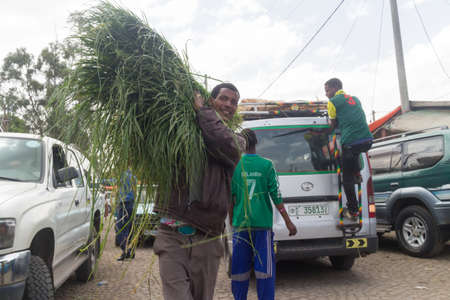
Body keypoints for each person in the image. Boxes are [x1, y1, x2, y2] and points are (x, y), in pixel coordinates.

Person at [153, 83, 242, 300]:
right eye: (224, 98)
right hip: (171, 235)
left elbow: (221, 141)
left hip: (208, 238)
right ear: (211, 100)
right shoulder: (182, 131)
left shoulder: (237, 141)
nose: (229, 104)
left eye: (234, 102)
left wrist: (203, 112)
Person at [230, 129, 297, 300]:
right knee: (265, 271)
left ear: (241, 144)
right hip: (262, 227)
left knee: (239, 271)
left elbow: (231, 198)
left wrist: (232, 221)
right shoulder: (267, 165)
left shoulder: (234, 165)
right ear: (256, 143)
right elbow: (276, 196)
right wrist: (289, 222)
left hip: (240, 227)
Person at [325, 78, 373, 219]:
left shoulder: (332, 102)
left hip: (351, 142)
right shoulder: (355, 99)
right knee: (353, 155)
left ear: (335, 88)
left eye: (327, 90)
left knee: (346, 178)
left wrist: (322, 134)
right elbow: (353, 117)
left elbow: (333, 125)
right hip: (367, 140)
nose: (326, 94)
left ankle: (353, 210)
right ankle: (357, 172)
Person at [116, 169, 137, 261]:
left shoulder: (122, 176)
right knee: (129, 228)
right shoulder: (133, 177)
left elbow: (112, 182)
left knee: (121, 228)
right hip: (131, 204)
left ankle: (124, 252)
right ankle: (131, 251)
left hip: (124, 204)